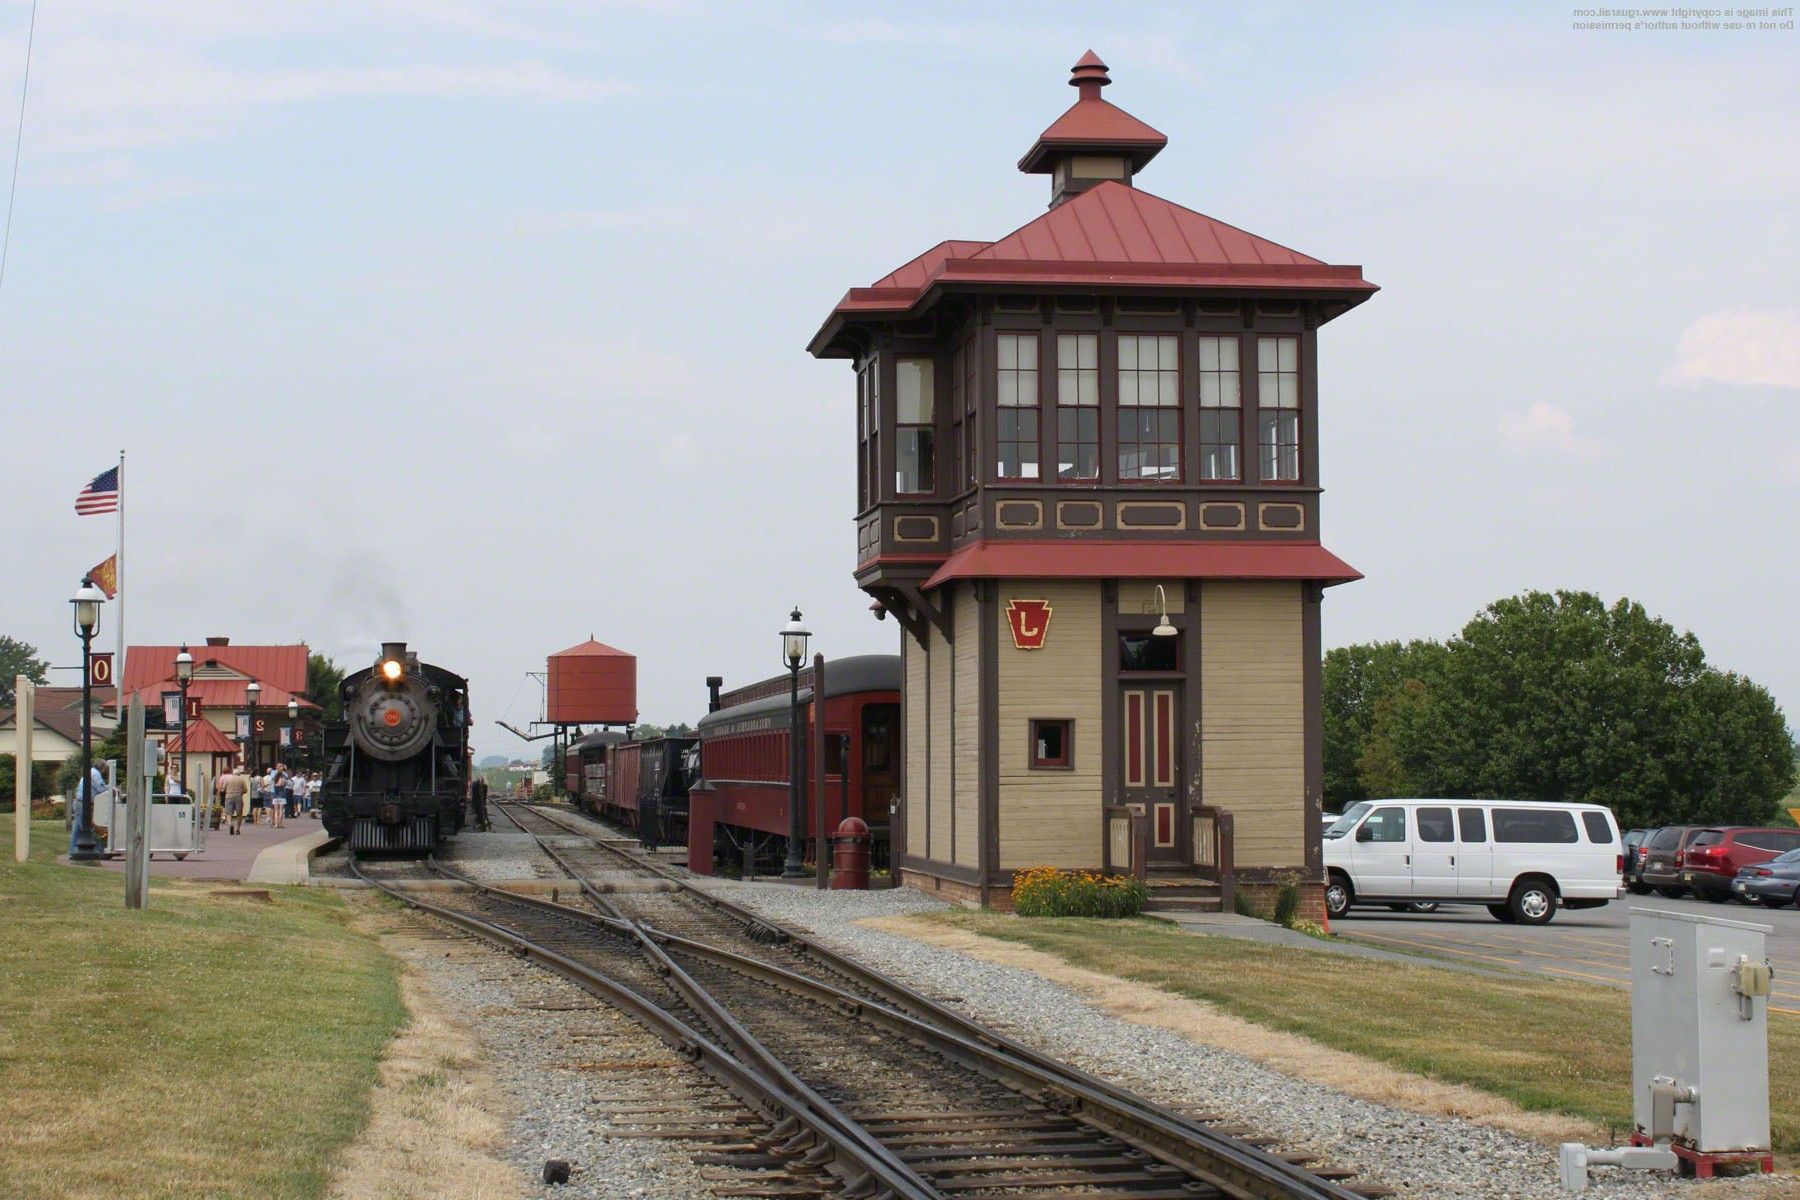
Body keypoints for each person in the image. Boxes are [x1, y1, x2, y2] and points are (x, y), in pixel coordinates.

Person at [68, 763, 108, 857]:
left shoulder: (90, 772)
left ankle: (72, 851)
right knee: (88, 829)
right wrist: (111, 789)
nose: (106, 772)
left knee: (77, 829)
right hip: (83, 804)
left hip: (79, 802)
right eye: (105, 769)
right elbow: (101, 788)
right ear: (102, 768)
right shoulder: (95, 774)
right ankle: (98, 850)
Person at [221, 765, 248, 835]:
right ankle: (238, 829)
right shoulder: (241, 780)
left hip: (229, 797)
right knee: (239, 814)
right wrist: (240, 792)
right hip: (238, 797)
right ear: (239, 774)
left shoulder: (228, 779)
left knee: (228, 813)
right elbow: (245, 790)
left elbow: (223, 789)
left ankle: (230, 824)